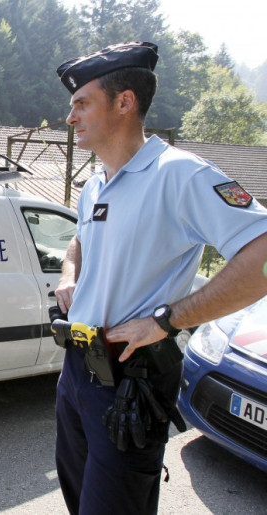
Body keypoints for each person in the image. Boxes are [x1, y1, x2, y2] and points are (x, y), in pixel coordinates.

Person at [53, 41, 267, 514]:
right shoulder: (95, 183)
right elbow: (81, 239)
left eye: (81, 103)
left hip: (132, 376)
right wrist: (71, 273)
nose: (70, 118)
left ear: (124, 102)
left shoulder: (181, 175)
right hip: (77, 371)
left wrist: (169, 319)